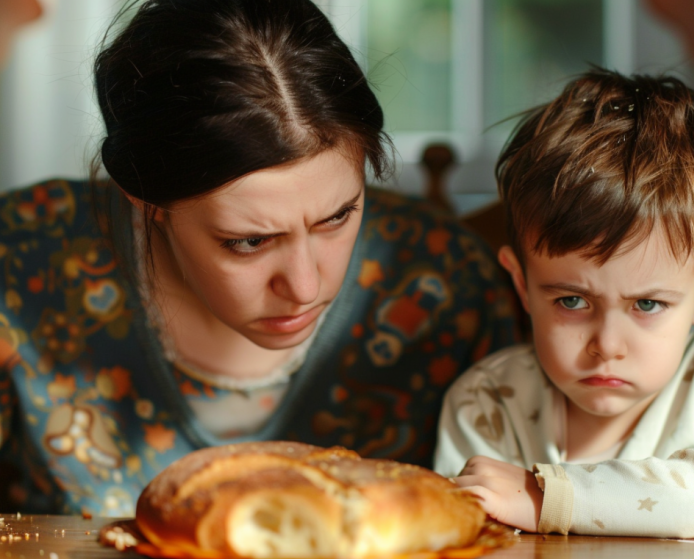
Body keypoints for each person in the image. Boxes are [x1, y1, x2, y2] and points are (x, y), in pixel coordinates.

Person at [0, 0, 520, 516]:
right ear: (144, 198)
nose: (305, 287)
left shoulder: (448, 283)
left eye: (337, 217)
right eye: (249, 242)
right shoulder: (21, 260)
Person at [434, 69, 694, 540]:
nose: (607, 346)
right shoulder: (487, 403)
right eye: (571, 300)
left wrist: (550, 497)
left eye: (647, 304)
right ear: (522, 284)